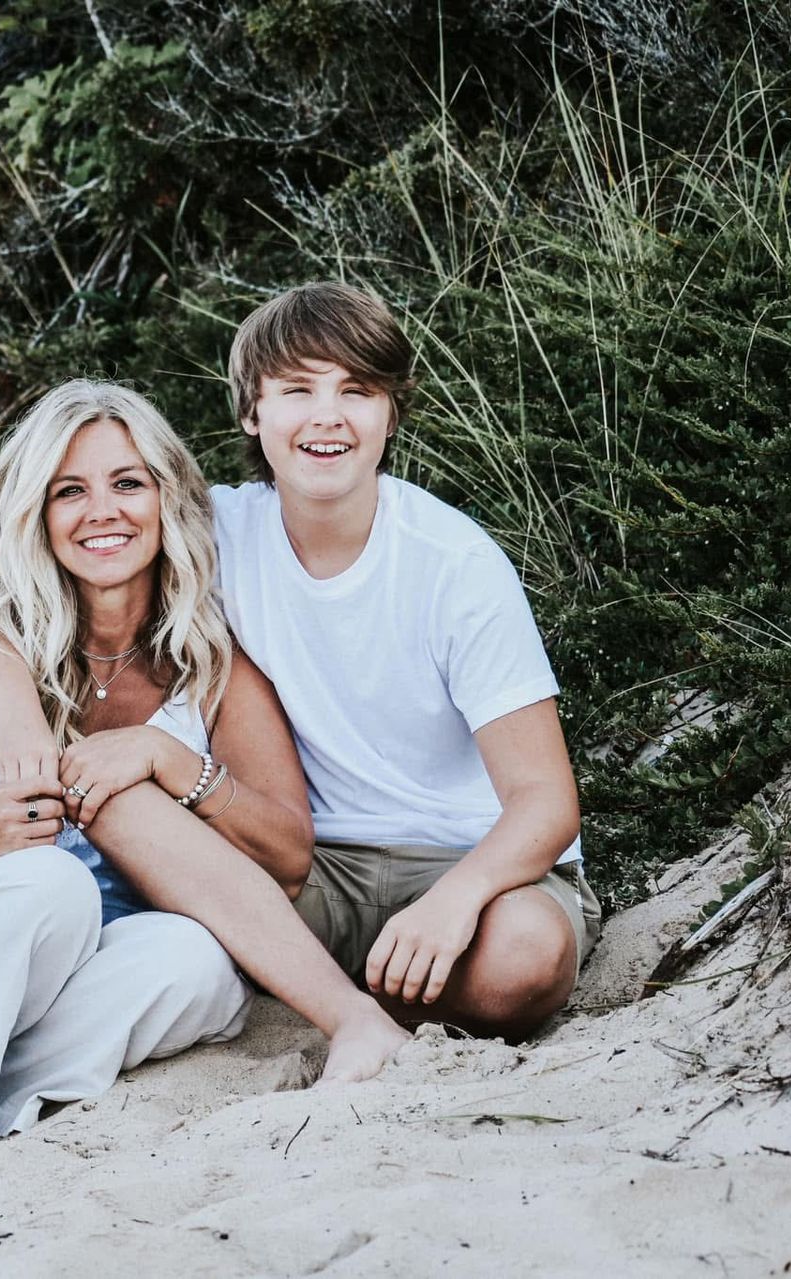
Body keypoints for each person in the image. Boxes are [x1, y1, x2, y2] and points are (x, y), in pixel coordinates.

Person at [0, 380, 335, 1183]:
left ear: (166, 498)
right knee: (49, 883)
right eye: (68, 491)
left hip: (84, 984)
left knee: (200, 966)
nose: (102, 511)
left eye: (127, 482)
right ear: (36, 517)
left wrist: (170, 756)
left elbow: (289, 857)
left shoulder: (210, 667)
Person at [214, 281, 599, 1038]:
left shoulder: (453, 562)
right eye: (297, 389)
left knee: (525, 957)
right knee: (181, 911)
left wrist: (455, 901)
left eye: (356, 389)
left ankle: (327, 992)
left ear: (391, 413)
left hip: (475, 861)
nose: (327, 415)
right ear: (253, 412)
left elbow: (546, 802)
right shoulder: (217, 531)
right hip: (316, 867)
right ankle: (356, 995)